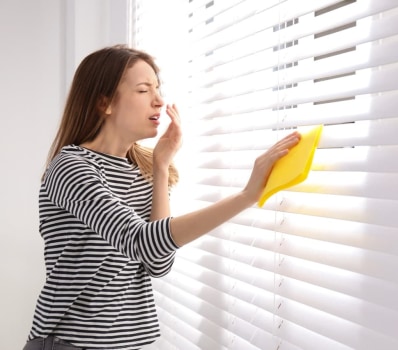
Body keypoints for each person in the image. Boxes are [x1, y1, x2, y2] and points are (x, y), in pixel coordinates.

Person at [23, 44, 300, 350]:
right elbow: (141, 239)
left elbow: (157, 261)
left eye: (157, 89)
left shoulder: (143, 169)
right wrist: (248, 195)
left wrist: (161, 167)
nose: (159, 101)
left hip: (125, 344)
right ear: (105, 103)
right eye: (144, 90)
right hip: (69, 344)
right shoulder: (71, 167)